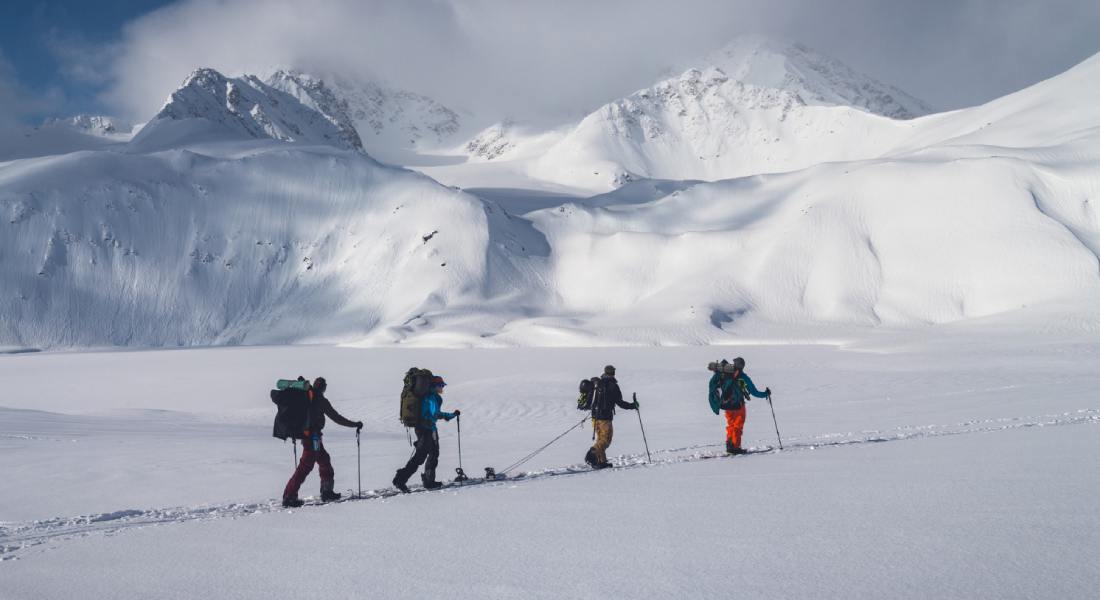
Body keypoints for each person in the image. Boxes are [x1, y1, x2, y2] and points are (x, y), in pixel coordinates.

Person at [283, 377, 363, 507]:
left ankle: (327, 492)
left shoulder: (307, 396)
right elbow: (337, 418)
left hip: (311, 437)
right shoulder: (320, 400)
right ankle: (289, 496)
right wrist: (355, 424)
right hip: (312, 437)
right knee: (304, 468)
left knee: (324, 461)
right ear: (323, 388)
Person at [393, 375, 460, 492]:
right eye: (441, 385)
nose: (442, 387)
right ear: (435, 386)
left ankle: (429, 481)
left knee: (433, 453)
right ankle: (400, 479)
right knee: (420, 457)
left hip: (426, 428)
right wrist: (450, 415)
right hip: (427, 429)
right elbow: (435, 414)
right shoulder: (432, 397)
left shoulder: (429, 396)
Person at [708, 357, 770, 454]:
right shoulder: (742, 376)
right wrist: (765, 394)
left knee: (731, 425)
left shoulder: (723, 375)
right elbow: (754, 392)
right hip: (738, 406)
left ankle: (729, 445)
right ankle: (735, 447)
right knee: (737, 426)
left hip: (726, 405)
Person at [585, 365, 638, 469]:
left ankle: (601, 462)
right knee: (605, 440)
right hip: (605, 417)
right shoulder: (612, 385)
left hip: (595, 417)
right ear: (613, 373)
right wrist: (633, 406)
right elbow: (620, 403)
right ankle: (591, 454)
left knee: (600, 438)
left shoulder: (598, 384)